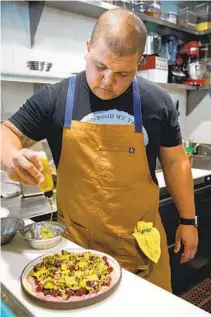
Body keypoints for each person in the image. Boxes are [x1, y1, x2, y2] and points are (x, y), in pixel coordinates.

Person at [1, 8, 198, 292]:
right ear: (88, 49)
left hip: (139, 249)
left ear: (139, 63)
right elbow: (5, 133)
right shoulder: (55, 98)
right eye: (100, 67)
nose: (108, 82)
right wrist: (11, 158)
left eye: (123, 73)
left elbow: (176, 161)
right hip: (77, 250)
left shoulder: (157, 103)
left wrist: (188, 221)